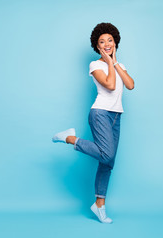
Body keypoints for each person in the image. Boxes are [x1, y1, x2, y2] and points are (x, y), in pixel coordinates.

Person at [52, 22, 134, 224]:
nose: (107, 43)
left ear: (115, 42)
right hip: (100, 113)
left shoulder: (119, 65)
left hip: (116, 115)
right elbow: (111, 84)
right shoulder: (95, 65)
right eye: (101, 41)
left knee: (108, 162)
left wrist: (114, 63)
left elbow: (130, 85)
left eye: (110, 40)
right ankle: (70, 138)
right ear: (97, 46)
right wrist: (107, 60)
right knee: (107, 153)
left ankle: (99, 205)